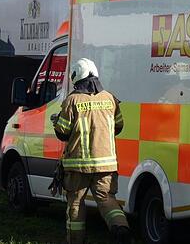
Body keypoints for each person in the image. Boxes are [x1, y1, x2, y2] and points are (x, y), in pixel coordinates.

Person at [53, 58, 131, 244]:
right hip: (106, 165)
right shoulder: (110, 98)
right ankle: (121, 228)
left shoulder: (72, 100)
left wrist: (56, 122)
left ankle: (76, 240)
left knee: (76, 204)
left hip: (77, 167)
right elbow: (118, 127)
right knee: (107, 201)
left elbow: (62, 132)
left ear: (76, 77)